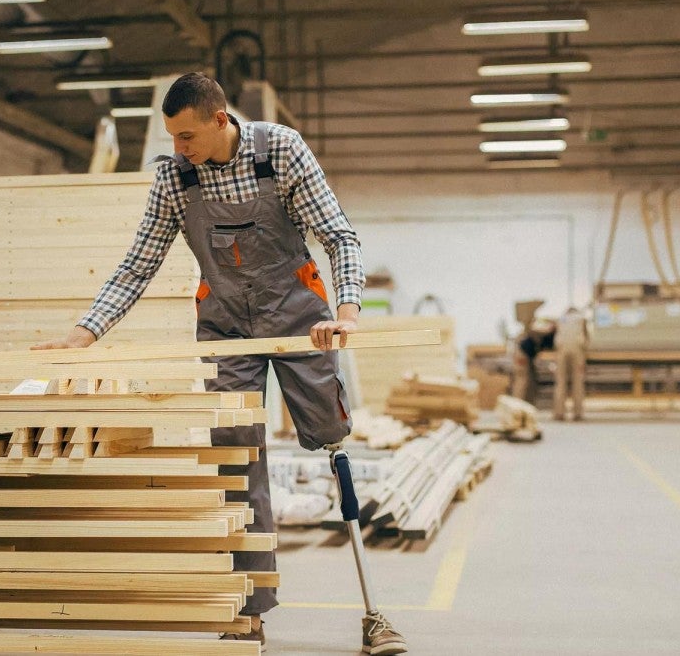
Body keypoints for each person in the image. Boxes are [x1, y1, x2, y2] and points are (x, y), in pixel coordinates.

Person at [33, 73, 407, 655]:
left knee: (332, 436)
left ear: (219, 118)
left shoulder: (280, 151)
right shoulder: (174, 178)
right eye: (172, 138)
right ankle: (247, 611)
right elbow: (138, 265)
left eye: (187, 136)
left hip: (299, 316)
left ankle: (373, 613)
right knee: (237, 458)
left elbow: (338, 236)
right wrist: (82, 337)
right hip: (226, 328)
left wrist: (349, 314)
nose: (179, 148)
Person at [552, 306, 589, 421]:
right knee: (578, 382)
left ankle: (559, 413)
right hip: (577, 350)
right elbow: (587, 337)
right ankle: (577, 414)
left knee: (560, 382)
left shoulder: (560, 319)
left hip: (561, 350)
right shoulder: (581, 319)